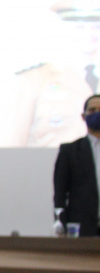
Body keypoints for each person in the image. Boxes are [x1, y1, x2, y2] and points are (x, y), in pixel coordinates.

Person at [3, 0, 100, 148]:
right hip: (47, 168)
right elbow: (10, 143)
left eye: (96, 26)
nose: (90, 33)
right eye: (80, 27)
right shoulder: (33, 79)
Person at [53, 94, 100, 237]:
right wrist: (60, 223)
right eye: (92, 110)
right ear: (83, 116)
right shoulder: (69, 151)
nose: (97, 113)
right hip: (82, 226)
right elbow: (60, 192)